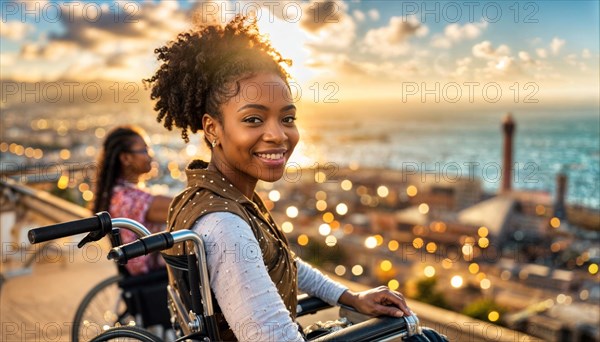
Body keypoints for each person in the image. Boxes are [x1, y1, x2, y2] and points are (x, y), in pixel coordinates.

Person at [144, 15, 413, 341]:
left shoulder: (210, 195)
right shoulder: (224, 225)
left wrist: (350, 297)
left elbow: (280, 260)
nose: (277, 135)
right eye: (253, 119)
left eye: (287, 118)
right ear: (214, 128)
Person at [93, 125, 172, 275]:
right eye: (144, 150)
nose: (150, 155)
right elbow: (187, 206)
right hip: (154, 278)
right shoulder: (130, 199)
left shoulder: (116, 193)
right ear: (125, 158)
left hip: (139, 278)